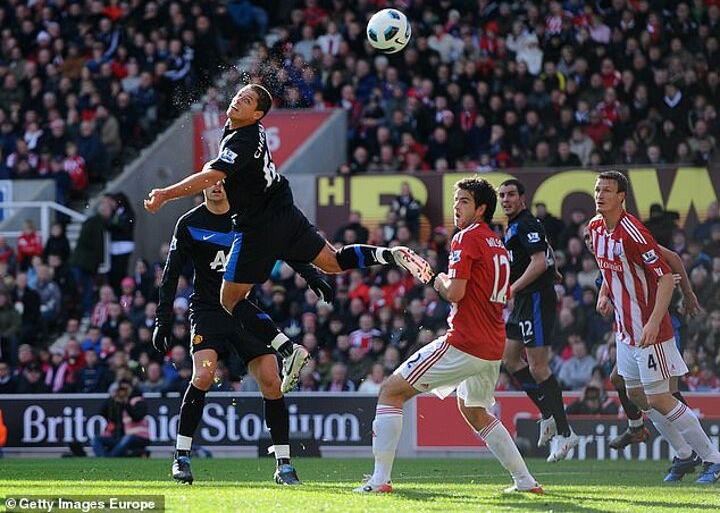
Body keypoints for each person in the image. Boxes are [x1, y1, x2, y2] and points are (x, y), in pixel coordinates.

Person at [144, 83, 433, 393]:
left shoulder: (243, 139)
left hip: (257, 226)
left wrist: (166, 194)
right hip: (284, 210)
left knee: (230, 300)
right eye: (239, 95)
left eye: (247, 100)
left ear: (257, 114)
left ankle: (288, 349)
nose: (238, 100)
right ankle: (392, 254)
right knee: (333, 262)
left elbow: (212, 176)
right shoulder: (248, 130)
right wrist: (310, 274)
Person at [354, 177, 542, 494]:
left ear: (481, 208)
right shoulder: (496, 243)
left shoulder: (465, 237)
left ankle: (379, 480)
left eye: (464, 201)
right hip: (492, 344)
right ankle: (525, 481)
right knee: (474, 411)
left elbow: (454, 292)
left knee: (390, 391)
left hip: (465, 341)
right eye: (455, 200)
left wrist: (434, 279)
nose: (456, 206)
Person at [154, 181, 331, 485]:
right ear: (201, 188)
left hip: (244, 310)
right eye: (210, 182)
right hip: (208, 312)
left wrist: (312, 276)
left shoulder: (249, 216)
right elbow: (171, 274)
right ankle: (181, 456)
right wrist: (162, 320)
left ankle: (284, 465)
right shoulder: (189, 223)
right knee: (203, 375)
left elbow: (284, 246)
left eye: (222, 181)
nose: (217, 187)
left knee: (272, 381)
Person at [588, 170, 720, 484]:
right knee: (636, 394)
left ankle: (713, 459)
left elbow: (665, 278)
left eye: (607, 190)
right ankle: (684, 454)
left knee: (660, 397)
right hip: (624, 331)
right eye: (597, 189)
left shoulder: (634, 233)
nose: (600, 195)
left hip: (651, 332)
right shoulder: (595, 228)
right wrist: (604, 294)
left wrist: (653, 321)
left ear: (621, 197)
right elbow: (608, 269)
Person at [497, 179, 577, 462]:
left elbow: (539, 261)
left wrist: (512, 288)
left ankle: (566, 433)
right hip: (524, 301)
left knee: (538, 367)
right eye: (502, 195)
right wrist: (554, 268)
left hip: (535, 299)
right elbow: (545, 251)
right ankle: (547, 415)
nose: (505, 199)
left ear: (522, 197)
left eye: (511, 194)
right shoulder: (517, 225)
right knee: (510, 359)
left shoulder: (526, 223)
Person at [92, 379, 150, 457]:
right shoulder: (119, 402)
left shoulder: (138, 400)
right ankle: (103, 458)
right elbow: (102, 413)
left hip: (139, 436)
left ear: (131, 388)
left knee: (126, 439)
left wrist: (126, 403)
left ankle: (109, 459)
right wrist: (111, 399)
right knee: (96, 439)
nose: (124, 391)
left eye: (126, 388)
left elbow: (137, 417)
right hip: (122, 436)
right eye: (121, 389)